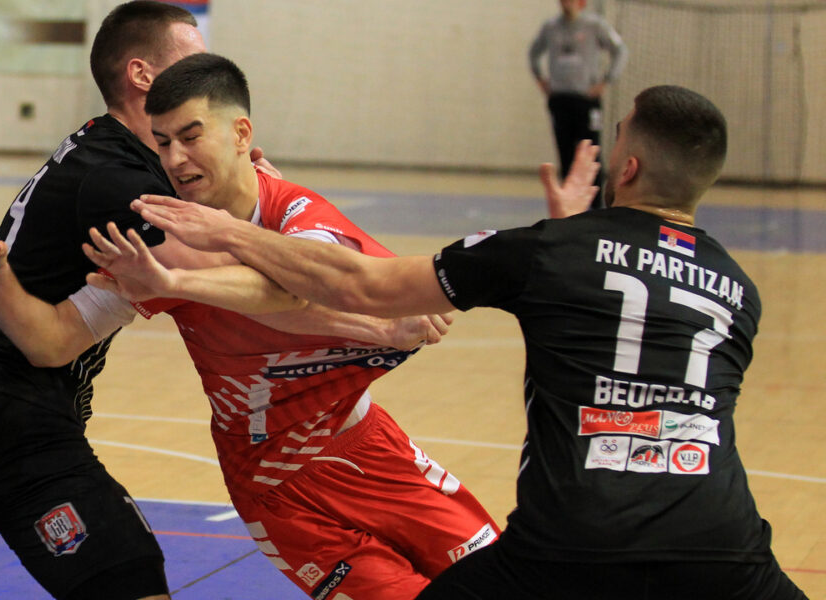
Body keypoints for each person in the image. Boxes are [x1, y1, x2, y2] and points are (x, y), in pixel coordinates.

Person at [124, 85, 808, 599]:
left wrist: (227, 233)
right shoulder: (739, 289)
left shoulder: (548, 252)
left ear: (624, 169)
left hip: (574, 537)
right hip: (721, 538)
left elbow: (362, 286)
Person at [0, 4, 297, 599]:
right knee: (131, 580)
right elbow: (254, 282)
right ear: (142, 75)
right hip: (14, 421)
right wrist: (273, 210)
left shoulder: (105, 153)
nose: (207, 73)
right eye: (192, 57)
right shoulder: (120, 181)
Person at [82, 52, 500, 600]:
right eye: (162, 143)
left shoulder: (297, 211)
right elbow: (61, 335)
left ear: (241, 134)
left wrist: (193, 266)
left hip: (369, 448)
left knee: (507, 582)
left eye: (191, 136)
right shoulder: (164, 241)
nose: (176, 158)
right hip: (274, 484)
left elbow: (303, 287)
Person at [529, 0, 628, 209]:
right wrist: (541, 79)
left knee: (591, 151)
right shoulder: (551, 27)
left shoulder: (594, 25)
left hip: (586, 100)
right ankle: (569, 203)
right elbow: (533, 53)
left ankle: (596, 206)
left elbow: (620, 50)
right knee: (565, 152)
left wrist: (606, 80)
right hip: (560, 99)